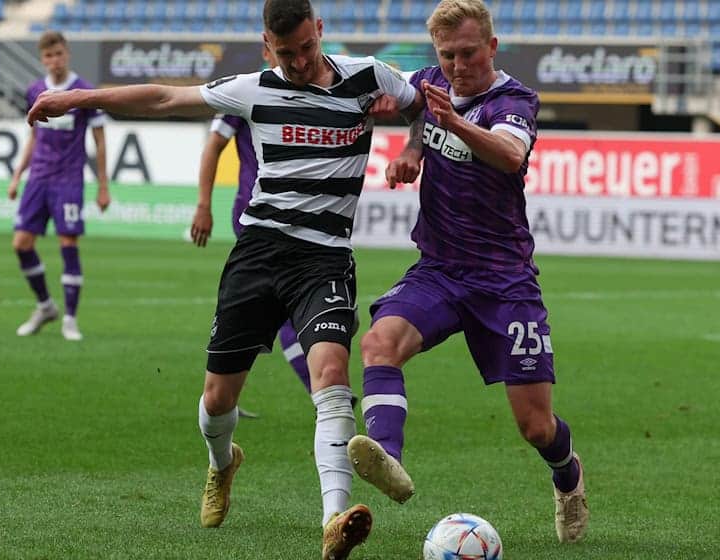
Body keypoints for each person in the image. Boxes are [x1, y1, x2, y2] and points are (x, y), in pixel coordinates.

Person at [27, 1, 423, 557]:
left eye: (307, 48)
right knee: (217, 400)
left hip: (326, 258)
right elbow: (165, 97)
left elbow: (422, 102)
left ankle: (335, 520)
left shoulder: (367, 77)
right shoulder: (253, 89)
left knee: (330, 376)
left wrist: (412, 146)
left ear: (320, 32)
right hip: (259, 254)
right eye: (285, 53)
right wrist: (78, 98)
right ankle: (222, 461)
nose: (300, 62)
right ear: (267, 46)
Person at [346, 0, 591, 544]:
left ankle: (568, 476)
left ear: (492, 47)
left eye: (468, 52)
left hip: (504, 282)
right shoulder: (429, 82)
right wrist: (414, 145)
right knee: (379, 343)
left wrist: (453, 122)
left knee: (536, 426)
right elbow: (409, 105)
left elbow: (508, 154)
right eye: (447, 54)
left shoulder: (514, 100)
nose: (457, 66)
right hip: (440, 268)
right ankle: (387, 456)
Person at [191, 47, 312, 404]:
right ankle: (326, 397)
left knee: (272, 311)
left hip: (300, 217)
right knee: (289, 310)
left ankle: (226, 389)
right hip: (255, 214)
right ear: (267, 48)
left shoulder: (308, 87)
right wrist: (202, 205)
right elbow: (213, 146)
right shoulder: (248, 90)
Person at [8, 30, 110, 342]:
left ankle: (70, 318)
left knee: (68, 244)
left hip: (68, 181)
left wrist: (103, 185)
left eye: (59, 54)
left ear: (67, 54)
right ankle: (45, 306)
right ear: (43, 59)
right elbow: (34, 136)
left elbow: (100, 140)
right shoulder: (35, 90)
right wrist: (17, 176)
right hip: (37, 178)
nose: (55, 61)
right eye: (49, 56)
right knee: (21, 244)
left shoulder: (83, 92)